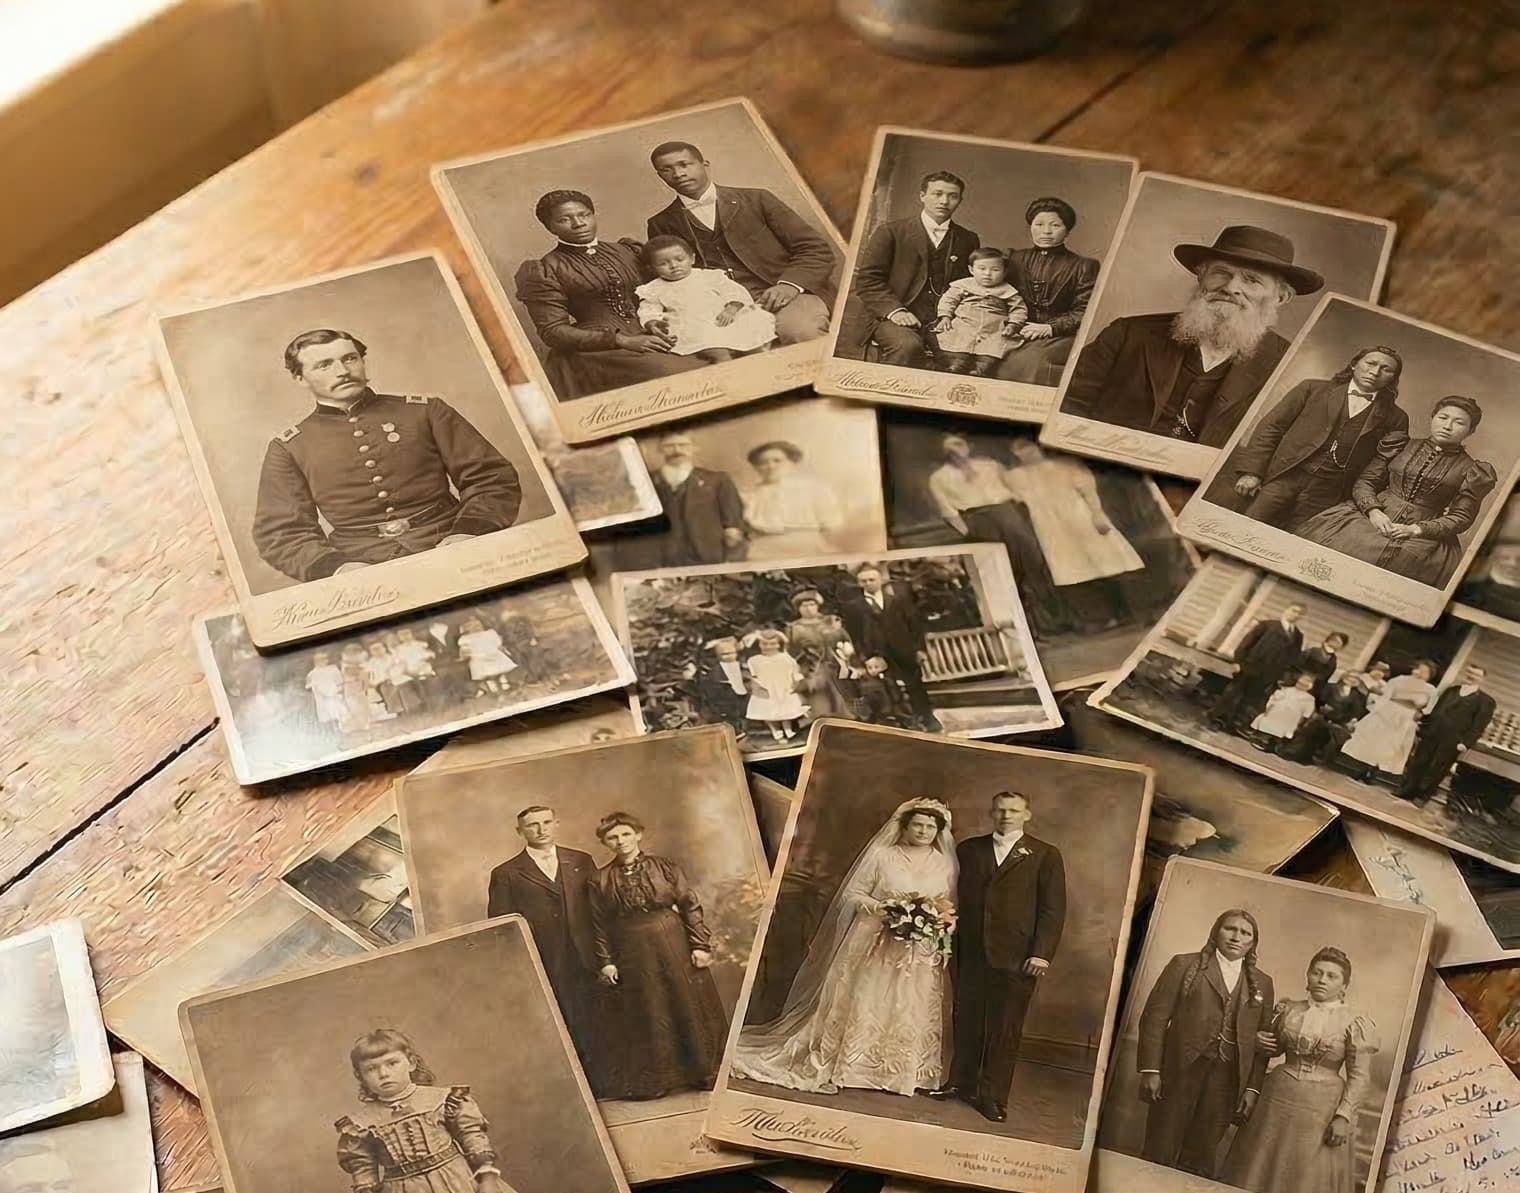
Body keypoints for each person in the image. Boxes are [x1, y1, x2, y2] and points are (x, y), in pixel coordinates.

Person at [253, 329, 523, 582]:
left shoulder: (425, 412)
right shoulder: (289, 447)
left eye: (350, 358)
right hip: (360, 565)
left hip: (451, 541)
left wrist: (468, 532)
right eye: (324, 365)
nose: (343, 371)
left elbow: (492, 480)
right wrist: (337, 567)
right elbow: (281, 532)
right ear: (300, 378)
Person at [731, 799, 958, 1096]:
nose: (924, 831)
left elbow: (949, 905)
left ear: (938, 831)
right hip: (872, 939)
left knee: (908, 1002)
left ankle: (898, 1071)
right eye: (918, 824)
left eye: (930, 826)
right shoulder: (882, 855)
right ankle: (852, 1067)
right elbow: (853, 895)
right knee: (867, 996)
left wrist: (938, 922)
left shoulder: (944, 862)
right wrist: (888, 909)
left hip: (917, 949)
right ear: (905, 826)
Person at [1061, 226, 1323, 445]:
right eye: (1221, 273)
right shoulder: (1127, 334)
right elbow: (1067, 405)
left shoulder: (1287, 366)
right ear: (1201, 277)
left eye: (1252, 281)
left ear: (1280, 297)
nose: (1231, 287)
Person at [933, 791, 1066, 1122]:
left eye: (1014, 810)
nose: (1007, 815)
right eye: (1001, 810)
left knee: (1005, 1026)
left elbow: (1052, 909)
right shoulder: (969, 849)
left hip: (1017, 955)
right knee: (967, 1018)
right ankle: (960, 1083)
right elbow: (954, 894)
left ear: (1027, 815)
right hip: (971, 949)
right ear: (992, 812)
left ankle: (992, 1096)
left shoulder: (1045, 854)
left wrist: (1041, 953)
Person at [588, 812, 729, 1100]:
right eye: (613, 837)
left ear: (638, 834)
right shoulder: (600, 879)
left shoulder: (665, 868)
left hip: (670, 939)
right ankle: (657, 1081)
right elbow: (598, 924)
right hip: (631, 948)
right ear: (605, 843)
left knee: (685, 1002)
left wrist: (700, 946)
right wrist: (606, 961)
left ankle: (703, 1072)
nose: (620, 841)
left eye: (626, 834)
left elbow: (689, 906)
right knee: (649, 1009)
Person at [513, 190, 706, 399]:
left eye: (584, 215)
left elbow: (668, 289)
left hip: (655, 331)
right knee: (675, 374)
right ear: (550, 227)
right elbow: (553, 331)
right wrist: (620, 340)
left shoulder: (628, 251)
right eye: (564, 220)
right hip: (598, 350)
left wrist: (659, 323)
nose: (579, 224)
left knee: (718, 356)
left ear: (593, 215)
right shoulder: (545, 269)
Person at [646, 142, 839, 346]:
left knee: (800, 332)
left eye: (684, 164)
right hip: (719, 308)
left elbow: (815, 249)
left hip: (781, 293)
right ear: (660, 176)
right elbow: (666, 278)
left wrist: (789, 285)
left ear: (704, 164)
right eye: (667, 169)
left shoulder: (757, 199)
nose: (678, 174)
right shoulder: (661, 223)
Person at [1220, 948, 1377, 1193]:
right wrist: (1258, 1040)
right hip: (1276, 1100)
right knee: (1257, 1166)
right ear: (1308, 976)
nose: (1322, 979)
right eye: (1317, 972)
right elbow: (1271, 1050)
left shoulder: (1354, 1021)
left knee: (1306, 1174)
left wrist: (1343, 1116)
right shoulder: (1289, 1009)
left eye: (1331, 976)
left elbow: (1360, 1076)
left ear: (1344, 985)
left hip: (1322, 1107)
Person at [1297, 397, 1497, 586]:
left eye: (1459, 423)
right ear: (1433, 418)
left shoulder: (1474, 471)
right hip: (1372, 515)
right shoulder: (1401, 445)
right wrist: (1373, 511)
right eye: (1443, 417)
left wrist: (1415, 529)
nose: (1447, 426)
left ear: (1470, 431)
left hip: (1422, 533)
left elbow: (1461, 517)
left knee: (1403, 566)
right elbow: (1366, 481)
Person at [1136, 909, 1276, 1178]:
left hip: (1227, 1078)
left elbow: (1263, 1045)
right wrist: (1151, 1069)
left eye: (1245, 933)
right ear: (1216, 932)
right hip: (1179, 1069)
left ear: (1252, 943)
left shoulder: (1263, 984)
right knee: (1160, 1146)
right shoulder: (1184, 965)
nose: (1236, 936)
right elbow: (1154, 1017)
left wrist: (1252, 1088)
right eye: (1230, 929)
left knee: (1202, 1154)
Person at [1214, 346, 1409, 529]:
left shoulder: (1396, 417)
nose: (1375, 372)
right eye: (1370, 363)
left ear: (1393, 379)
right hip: (1283, 476)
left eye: (1386, 369)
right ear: (1354, 364)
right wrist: (1252, 472)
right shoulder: (1311, 389)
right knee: (1245, 524)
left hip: (1330, 494)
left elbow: (1384, 465)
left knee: (1294, 541)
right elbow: (1271, 428)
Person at [485, 807, 602, 1076]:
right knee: (558, 1018)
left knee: (595, 1014)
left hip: (586, 953)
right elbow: (502, 926)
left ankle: (604, 1080)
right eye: (533, 825)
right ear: (520, 831)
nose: (541, 829)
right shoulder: (506, 873)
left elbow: (599, 908)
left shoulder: (581, 860)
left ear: (556, 824)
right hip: (544, 957)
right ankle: (575, 1080)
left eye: (547, 822)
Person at [336, 1028, 516, 1193]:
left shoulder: (442, 1100)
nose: (383, 1073)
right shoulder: (360, 1123)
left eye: (392, 1063)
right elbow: (363, 1166)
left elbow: (471, 1136)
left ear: (411, 1063)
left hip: (457, 1181)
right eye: (371, 1069)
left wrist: (487, 1177)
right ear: (360, 1076)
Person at [927, 433, 1066, 637]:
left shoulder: (990, 466)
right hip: (979, 520)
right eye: (949, 447)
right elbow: (947, 510)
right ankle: (1028, 630)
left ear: (968, 446)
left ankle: (1055, 622)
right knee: (1005, 572)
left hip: (1008, 513)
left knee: (1033, 563)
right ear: (943, 452)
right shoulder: (939, 478)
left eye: (959, 444)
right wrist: (969, 533)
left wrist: (1021, 514)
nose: (955, 450)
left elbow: (1015, 490)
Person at [1001, 437, 1145, 631]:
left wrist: (1097, 515)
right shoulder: (1013, 477)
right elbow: (1015, 499)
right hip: (1049, 525)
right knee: (1072, 570)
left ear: (1038, 446)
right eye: (1019, 449)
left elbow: (1088, 491)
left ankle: (1130, 612)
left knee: (1106, 562)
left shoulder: (1066, 464)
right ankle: (1101, 619)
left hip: (1080, 517)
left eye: (1028, 447)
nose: (1026, 452)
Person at [838, 171, 979, 365]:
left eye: (952, 196)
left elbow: (967, 285)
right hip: (890, 315)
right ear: (922, 196)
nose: (944, 201)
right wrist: (896, 311)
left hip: (943, 319)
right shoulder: (891, 232)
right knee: (908, 346)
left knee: (964, 355)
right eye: (937, 194)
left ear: (960, 200)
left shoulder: (968, 239)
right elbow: (868, 281)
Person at [998, 196, 1101, 385]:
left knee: (1030, 361)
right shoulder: (1013, 258)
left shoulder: (1084, 266)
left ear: (1067, 230)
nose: (1046, 231)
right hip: (1015, 329)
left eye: (1055, 225)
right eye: (1039, 224)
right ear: (1030, 227)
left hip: (1060, 335)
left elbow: (1085, 310)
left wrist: (1050, 328)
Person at [635, 235, 777, 362]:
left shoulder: (709, 276)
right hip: (693, 325)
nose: (674, 266)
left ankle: (760, 364)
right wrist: (653, 323)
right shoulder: (653, 288)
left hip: (723, 318)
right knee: (716, 350)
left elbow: (734, 290)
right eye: (663, 264)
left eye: (680, 259)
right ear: (651, 268)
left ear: (692, 259)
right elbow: (648, 309)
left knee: (752, 339)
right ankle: (729, 373)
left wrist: (732, 308)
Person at [839, 564, 943, 732]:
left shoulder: (898, 600)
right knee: (888, 689)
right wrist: (865, 657)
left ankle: (927, 718)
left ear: (881, 580)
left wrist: (919, 649)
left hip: (904, 650)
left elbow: (914, 626)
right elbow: (854, 634)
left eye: (872, 579)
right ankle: (904, 722)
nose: (868, 583)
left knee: (915, 685)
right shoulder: (853, 607)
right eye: (863, 581)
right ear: (859, 583)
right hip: (876, 654)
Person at [1396, 664, 1496, 804]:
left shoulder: (1485, 701)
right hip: (1433, 732)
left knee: (1437, 767)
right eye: (1470, 673)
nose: (1472, 676)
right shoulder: (1451, 691)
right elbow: (1437, 710)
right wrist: (1424, 724)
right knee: (1419, 761)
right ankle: (1407, 790)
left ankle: (1422, 796)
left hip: (1453, 739)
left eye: (1476, 675)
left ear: (1482, 679)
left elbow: (1478, 726)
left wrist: (1466, 742)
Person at [648, 431, 748, 566]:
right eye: (669, 446)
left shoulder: (717, 480)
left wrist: (729, 557)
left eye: (683, 445)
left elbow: (733, 524)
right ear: (659, 449)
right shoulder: (645, 481)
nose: (677, 450)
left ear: (694, 448)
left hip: (707, 555)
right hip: (658, 557)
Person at [1206, 602, 1306, 732]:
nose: (1296, 615)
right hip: (1250, 666)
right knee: (1233, 693)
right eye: (1294, 610)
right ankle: (1216, 719)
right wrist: (1238, 662)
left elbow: (1293, 657)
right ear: (1286, 609)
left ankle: (1232, 724)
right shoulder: (1267, 625)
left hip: (1269, 674)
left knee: (1250, 700)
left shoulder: (1297, 636)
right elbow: (1246, 643)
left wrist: (1281, 675)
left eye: (1299, 613)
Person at [931, 248, 1029, 376]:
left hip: (994, 327)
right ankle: (956, 363)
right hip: (965, 322)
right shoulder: (963, 285)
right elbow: (949, 300)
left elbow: (1018, 309)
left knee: (995, 345)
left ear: (1004, 272)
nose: (987, 274)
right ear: (971, 270)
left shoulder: (1008, 291)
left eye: (995, 270)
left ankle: (982, 368)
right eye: (982, 269)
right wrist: (945, 316)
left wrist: (1013, 324)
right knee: (957, 341)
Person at [1337, 659, 1439, 782]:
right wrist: (1377, 711)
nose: (1420, 673)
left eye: (1425, 672)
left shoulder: (1430, 690)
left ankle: (1373, 772)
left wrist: (1419, 714)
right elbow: (1385, 696)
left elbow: (1429, 708)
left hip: (1407, 717)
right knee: (1377, 742)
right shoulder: (1399, 680)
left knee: (1391, 746)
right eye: (1420, 669)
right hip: (1389, 712)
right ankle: (1363, 769)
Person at [739, 440, 843, 559]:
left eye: (777, 461)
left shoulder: (814, 489)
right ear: (756, 468)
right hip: (762, 549)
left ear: (791, 463)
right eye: (763, 463)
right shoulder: (748, 495)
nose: (771, 466)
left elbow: (831, 523)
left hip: (807, 546)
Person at [786, 590, 857, 721]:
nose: (808, 609)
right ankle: (821, 720)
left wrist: (847, 655)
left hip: (834, 664)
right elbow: (789, 649)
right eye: (804, 606)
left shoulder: (830, 621)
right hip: (809, 667)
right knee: (818, 697)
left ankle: (844, 718)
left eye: (811, 604)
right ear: (798, 608)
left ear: (818, 605)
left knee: (839, 693)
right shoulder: (793, 627)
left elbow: (845, 639)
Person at [1279, 669, 1374, 765]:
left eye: (1355, 678)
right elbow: (1320, 700)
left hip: (1339, 722)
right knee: (1312, 728)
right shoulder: (1331, 687)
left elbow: (1355, 711)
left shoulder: (1357, 696)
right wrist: (1324, 709)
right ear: (1344, 676)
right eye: (1350, 676)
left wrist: (1348, 720)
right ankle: (1294, 752)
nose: (1352, 679)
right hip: (1323, 715)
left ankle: (1319, 758)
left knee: (1337, 735)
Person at [746, 629, 807, 743]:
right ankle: (777, 732)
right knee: (768, 712)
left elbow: (795, 674)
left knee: (785, 711)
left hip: (783, 688)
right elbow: (753, 676)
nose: (768, 647)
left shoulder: (786, 659)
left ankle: (788, 730)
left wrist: (794, 686)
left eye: (773, 644)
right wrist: (758, 688)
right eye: (764, 644)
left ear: (779, 644)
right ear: (759, 644)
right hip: (766, 689)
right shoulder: (754, 660)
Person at [691, 637, 751, 734]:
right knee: (731, 717)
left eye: (731, 653)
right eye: (724, 654)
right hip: (727, 697)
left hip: (743, 694)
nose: (728, 656)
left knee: (744, 714)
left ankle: (745, 730)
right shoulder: (715, 670)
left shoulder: (743, 666)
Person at [1251, 673, 1320, 747]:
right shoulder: (1286, 690)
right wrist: (1268, 709)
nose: (1302, 684)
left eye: (1306, 683)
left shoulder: (1309, 699)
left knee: (1286, 724)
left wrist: (1300, 723)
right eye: (1302, 681)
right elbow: (1273, 700)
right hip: (1275, 713)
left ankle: (1272, 741)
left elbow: (1306, 714)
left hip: (1290, 718)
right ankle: (1262, 735)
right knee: (1270, 717)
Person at [456, 615, 516, 697]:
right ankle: (493, 688)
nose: (476, 628)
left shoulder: (489, 633)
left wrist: (504, 650)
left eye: (478, 625)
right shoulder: (466, 638)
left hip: (493, 654)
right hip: (478, 657)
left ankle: (504, 683)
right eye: (471, 626)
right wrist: (463, 657)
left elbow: (498, 644)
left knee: (499, 667)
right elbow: (465, 651)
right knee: (485, 673)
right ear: (466, 629)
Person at [853, 656, 912, 726]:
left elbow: (895, 695)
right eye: (870, 668)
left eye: (876, 667)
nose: (873, 670)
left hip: (890, 710)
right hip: (879, 712)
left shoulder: (887, 680)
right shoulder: (866, 682)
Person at [1297, 631, 1348, 700]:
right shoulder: (1311, 652)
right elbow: (1295, 666)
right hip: (1297, 683)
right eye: (1333, 640)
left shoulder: (1333, 662)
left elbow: (1324, 681)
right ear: (1327, 640)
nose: (1334, 644)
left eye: (1338, 643)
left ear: (1341, 647)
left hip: (1311, 691)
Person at [305, 649, 345, 725]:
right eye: (318, 660)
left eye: (324, 659)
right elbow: (309, 686)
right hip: (322, 698)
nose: (322, 661)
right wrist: (319, 692)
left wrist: (338, 691)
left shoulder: (333, 668)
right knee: (326, 715)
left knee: (338, 713)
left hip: (334, 695)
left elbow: (339, 681)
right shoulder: (312, 673)